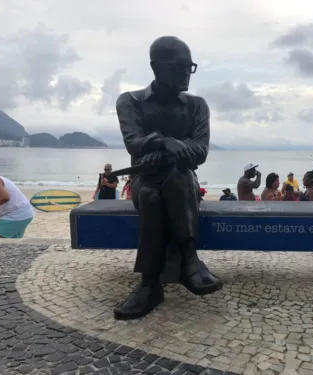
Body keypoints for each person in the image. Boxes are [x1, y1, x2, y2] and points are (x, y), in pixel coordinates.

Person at [113, 36, 222, 321]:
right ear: (156, 67)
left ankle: (150, 284)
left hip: (182, 180)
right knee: (150, 191)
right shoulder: (130, 101)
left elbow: (199, 153)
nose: (186, 72)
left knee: (173, 178)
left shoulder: (197, 105)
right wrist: (165, 143)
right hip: (143, 180)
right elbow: (133, 143)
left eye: (190, 66)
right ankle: (190, 261)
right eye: (179, 66)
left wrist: (165, 147)